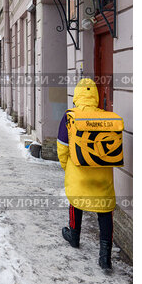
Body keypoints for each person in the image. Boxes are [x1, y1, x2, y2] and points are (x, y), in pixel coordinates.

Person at [57, 78, 115, 272]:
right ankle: (105, 257)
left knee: (76, 201)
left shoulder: (70, 116)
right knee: (105, 210)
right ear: (95, 96)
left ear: (77, 95)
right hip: (102, 174)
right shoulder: (107, 117)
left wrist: (68, 169)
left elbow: (62, 147)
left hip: (79, 172)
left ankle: (74, 237)